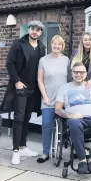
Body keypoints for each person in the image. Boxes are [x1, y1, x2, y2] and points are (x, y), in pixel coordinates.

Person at [0, 20, 46, 165]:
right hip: (21, 86)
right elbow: (9, 63)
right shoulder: (18, 44)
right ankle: (15, 151)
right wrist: (17, 81)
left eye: (38, 30)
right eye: (33, 28)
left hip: (34, 88)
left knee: (27, 117)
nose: (34, 32)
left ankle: (23, 146)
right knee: (19, 118)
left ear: (41, 32)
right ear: (29, 29)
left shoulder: (42, 47)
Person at [55, 62, 91, 174]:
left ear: (86, 74)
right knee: (74, 124)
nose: (78, 74)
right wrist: (71, 115)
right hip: (75, 119)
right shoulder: (64, 88)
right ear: (72, 73)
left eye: (81, 72)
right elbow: (57, 109)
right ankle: (82, 160)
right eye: (76, 72)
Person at [36, 35, 69, 163]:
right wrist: (45, 97)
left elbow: (70, 79)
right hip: (48, 98)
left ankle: (64, 144)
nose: (56, 46)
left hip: (63, 99)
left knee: (69, 124)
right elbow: (39, 79)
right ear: (51, 44)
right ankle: (45, 152)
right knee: (46, 124)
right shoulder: (43, 60)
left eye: (59, 44)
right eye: (54, 44)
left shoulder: (66, 60)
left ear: (62, 46)